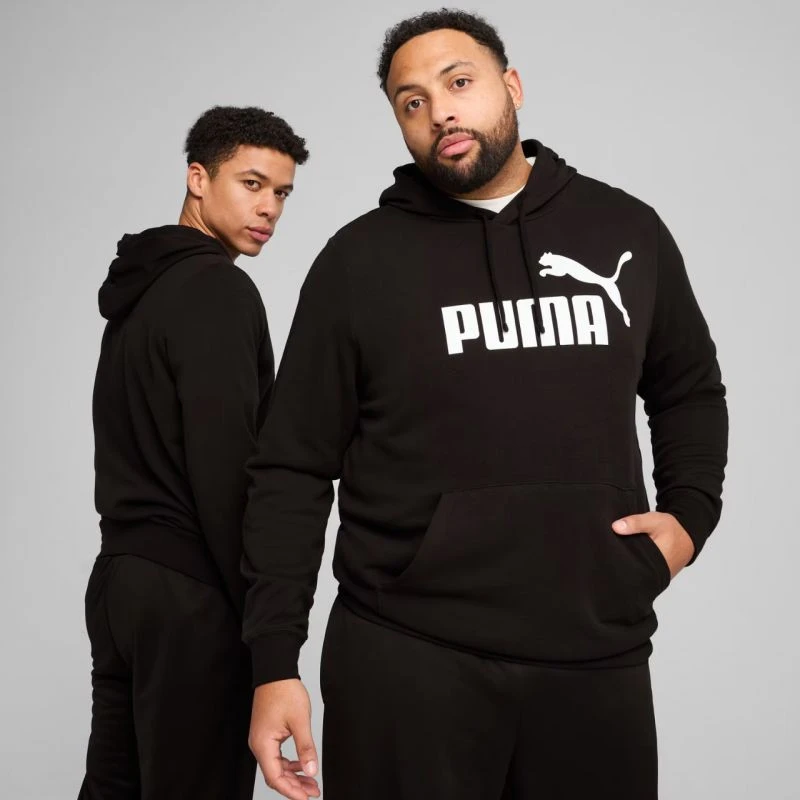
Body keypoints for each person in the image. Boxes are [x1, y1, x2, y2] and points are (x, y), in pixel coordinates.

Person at [242, 10, 728, 800]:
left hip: (593, 651)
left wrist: (689, 518)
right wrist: (273, 662)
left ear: (512, 87)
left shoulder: (625, 229)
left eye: (458, 82)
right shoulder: (357, 264)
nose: (440, 112)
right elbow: (290, 467)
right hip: (405, 655)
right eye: (412, 102)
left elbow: (690, 389)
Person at [79, 105, 308, 800]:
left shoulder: (140, 293)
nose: (269, 208)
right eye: (252, 184)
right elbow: (226, 472)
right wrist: (265, 639)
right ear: (198, 179)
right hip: (190, 595)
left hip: (120, 585)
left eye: (282, 193)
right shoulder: (218, 289)